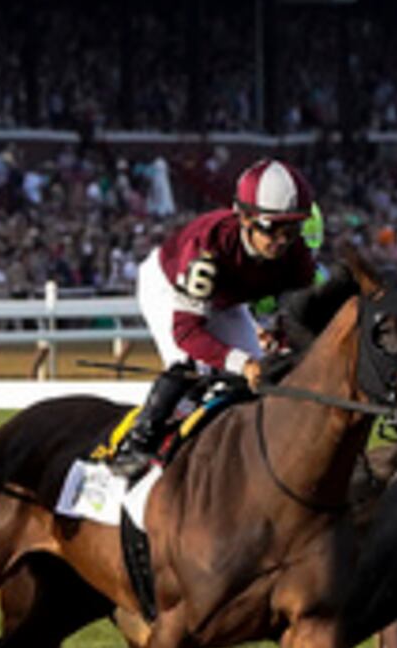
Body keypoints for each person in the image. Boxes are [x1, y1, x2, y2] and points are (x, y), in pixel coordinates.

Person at [111, 159, 317, 473]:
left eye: (293, 228)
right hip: (167, 287)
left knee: (260, 382)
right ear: (245, 217)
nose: (282, 241)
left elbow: (297, 315)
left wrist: (278, 335)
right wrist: (242, 363)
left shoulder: (296, 254)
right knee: (193, 367)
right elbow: (186, 331)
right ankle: (139, 441)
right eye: (272, 228)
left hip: (226, 299)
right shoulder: (207, 248)